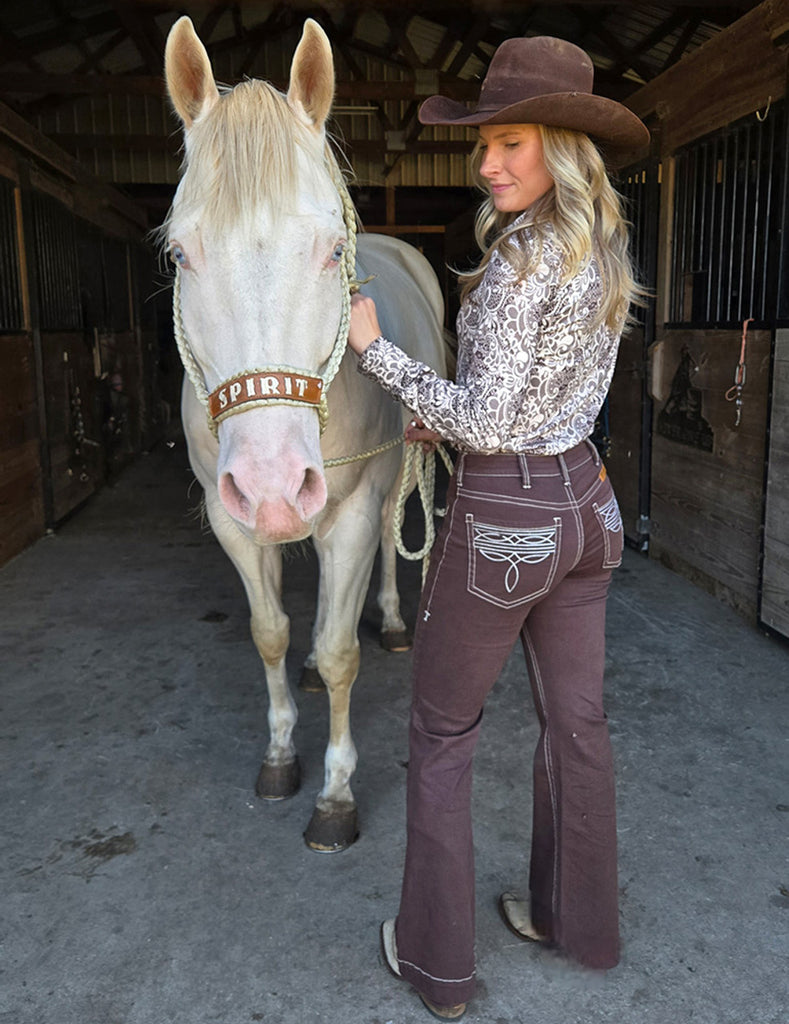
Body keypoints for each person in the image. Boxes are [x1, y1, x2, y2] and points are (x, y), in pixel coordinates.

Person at [347, 35, 649, 1022]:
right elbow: (531, 397)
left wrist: (380, 356)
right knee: (580, 726)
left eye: (511, 141)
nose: (489, 162)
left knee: (441, 732)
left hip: (507, 516)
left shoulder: (521, 260)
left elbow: (484, 420)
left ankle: (436, 966)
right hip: (585, 503)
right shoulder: (601, 243)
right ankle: (581, 926)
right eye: (487, 144)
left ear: (561, 147)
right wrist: (461, 405)